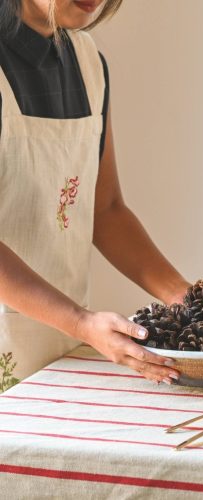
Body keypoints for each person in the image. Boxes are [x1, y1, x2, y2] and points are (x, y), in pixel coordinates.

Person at [0, 0, 189, 384]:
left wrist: (187, 298)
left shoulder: (89, 64)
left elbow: (106, 211)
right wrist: (83, 323)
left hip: (61, 348)